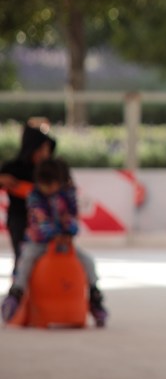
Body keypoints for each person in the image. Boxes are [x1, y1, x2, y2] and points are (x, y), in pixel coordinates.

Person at [1, 157, 108, 326]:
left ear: (59, 182)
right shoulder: (35, 196)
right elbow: (39, 219)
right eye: (45, 185)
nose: (48, 189)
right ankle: (16, 293)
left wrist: (68, 232)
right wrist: (53, 234)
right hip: (39, 242)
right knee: (25, 260)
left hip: (64, 244)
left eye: (52, 185)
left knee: (88, 261)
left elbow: (72, 217)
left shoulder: (67, 195)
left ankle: (95, 298)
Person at [0, 118, 56, 275]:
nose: (44, 153)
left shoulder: (51, 170)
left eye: (46, 149)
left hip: (45, 219)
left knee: (46, 256)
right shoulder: (13, 167)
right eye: (40, 149)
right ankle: (18, 293)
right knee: (22, 256)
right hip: (19, 218)